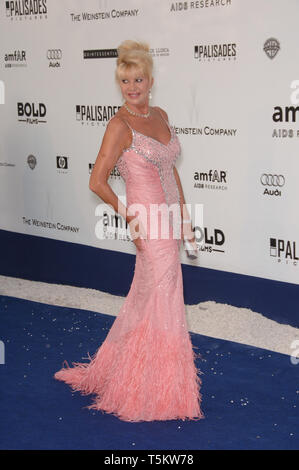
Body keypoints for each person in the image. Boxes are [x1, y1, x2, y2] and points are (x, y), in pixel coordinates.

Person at [54, 40, 204, 422]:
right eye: (125, 81)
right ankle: (150, 389)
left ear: (150, 80)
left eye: (138, 79)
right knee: (164, 299)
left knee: (148, 299)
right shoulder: (118, 126)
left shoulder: (162, 115)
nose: (132, 87)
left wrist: (184, 220)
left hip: (168, 222)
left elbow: (170, 172)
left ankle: (144, 379)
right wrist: (131, 219)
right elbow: (97, 181)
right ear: (119, 83)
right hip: (148, 223)